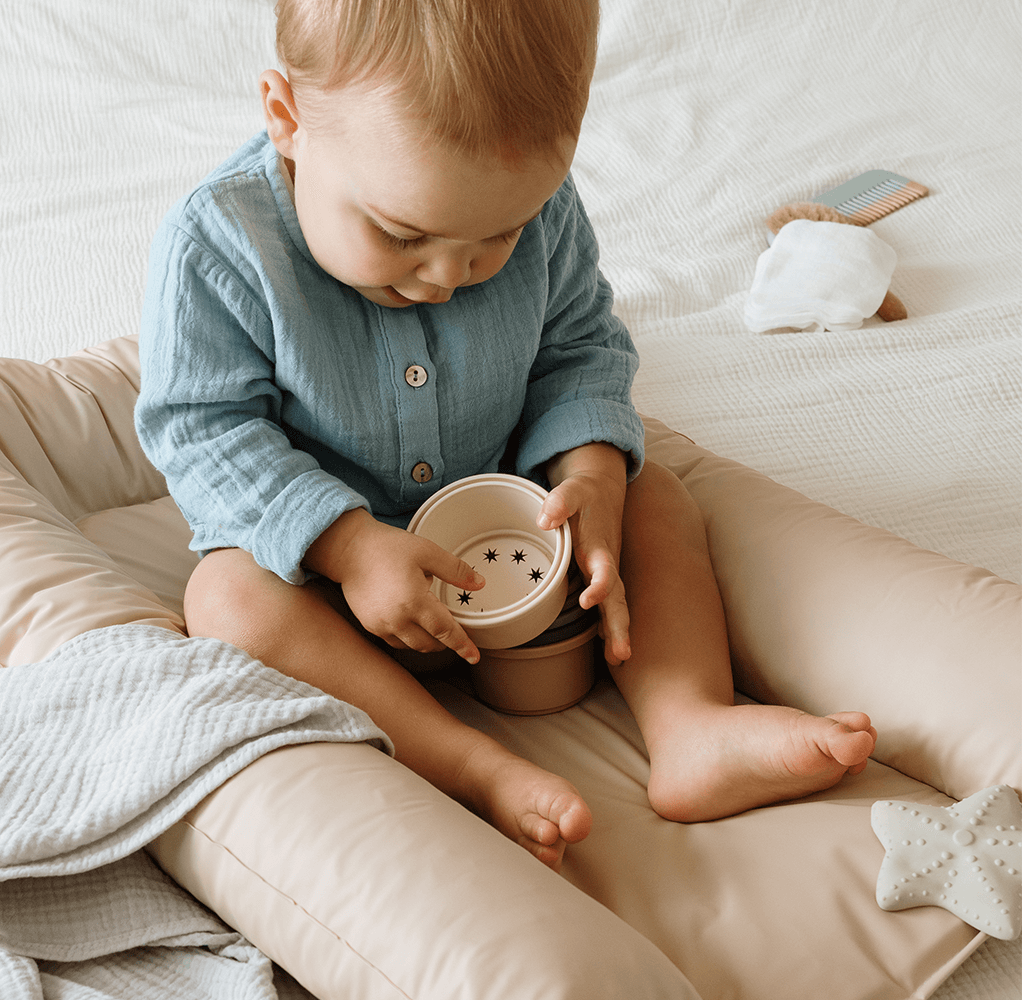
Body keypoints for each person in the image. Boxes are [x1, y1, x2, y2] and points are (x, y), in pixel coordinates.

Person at [136, 0, 876, 870]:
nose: (451, 275)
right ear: (287, 119)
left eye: (498, 236)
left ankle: (689, 725)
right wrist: (345, 547)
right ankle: (469, 765)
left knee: (656, 496)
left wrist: (592, 474)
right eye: (402, 234)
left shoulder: (545, 206)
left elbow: (580, 349)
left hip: (533, 547)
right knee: (225, 599)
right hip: (339, 596)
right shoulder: (219, 246)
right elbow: (202, 431)